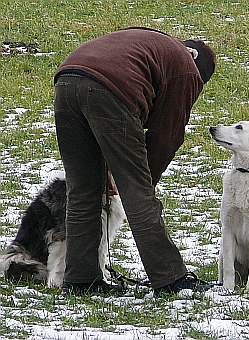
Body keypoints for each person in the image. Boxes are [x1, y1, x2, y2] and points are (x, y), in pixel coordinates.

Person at [54, 27, 216, 296]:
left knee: (83, 190)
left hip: (67, 81)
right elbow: (165, 137)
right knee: (138, 193)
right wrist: (142, 180)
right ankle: (171, 279)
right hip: (109, 88)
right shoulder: (187, 70)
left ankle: (81, 279)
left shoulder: (155, 45)